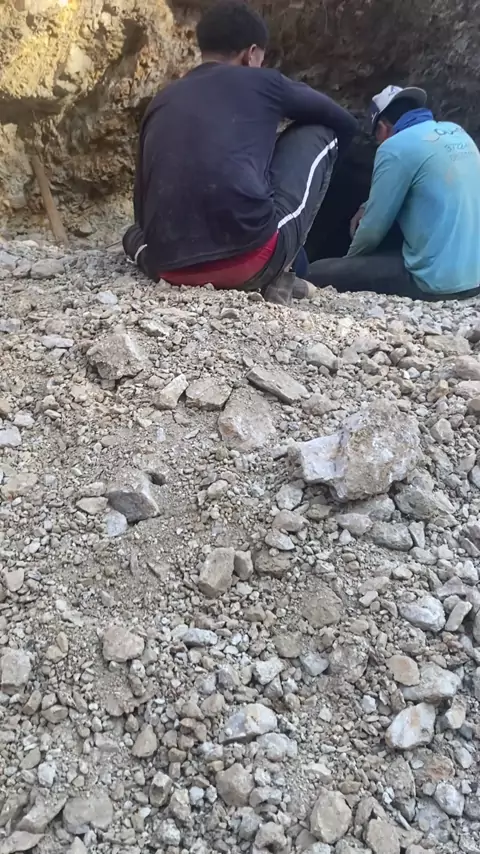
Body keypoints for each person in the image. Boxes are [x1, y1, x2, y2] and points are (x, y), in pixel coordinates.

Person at [123, 0, 357, 305]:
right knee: (321, 130)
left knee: (133, 233)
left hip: (168, 267)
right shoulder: (266, 82)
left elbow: (141, 204)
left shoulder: (162, 100)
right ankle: (285, 267)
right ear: (251, 53)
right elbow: (345, 123)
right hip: (250, 259)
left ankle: (144, 251)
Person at [308, 85, 480, 301]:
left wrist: (347, 265)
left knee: (316, 271)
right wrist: (367, 205)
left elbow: (372, 229)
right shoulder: (457, 132)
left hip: (435, 283)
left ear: (382, 128)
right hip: (475, 279)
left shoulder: (394, 147)